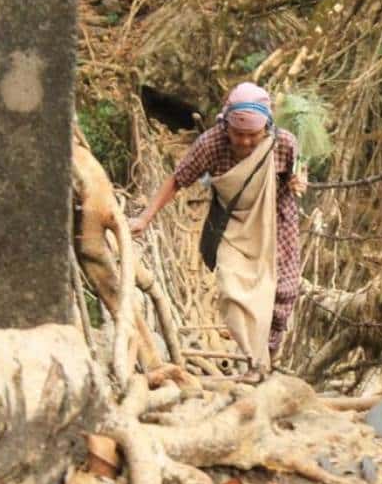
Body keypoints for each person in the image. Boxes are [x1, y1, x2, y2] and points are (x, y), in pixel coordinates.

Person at [130, 82, 305, 376]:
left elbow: (296, 173)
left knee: (283, 293)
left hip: (277, 224)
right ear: (226, 124)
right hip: (233, 227)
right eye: (239, 134)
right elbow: (178, 180)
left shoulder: (283, 143)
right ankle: (253, 360)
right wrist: (145, 218)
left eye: (253, 135)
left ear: (267, 127)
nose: (246, 142)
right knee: (233, 293)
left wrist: (298, 181)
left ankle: (268, 360)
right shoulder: (212, 144)